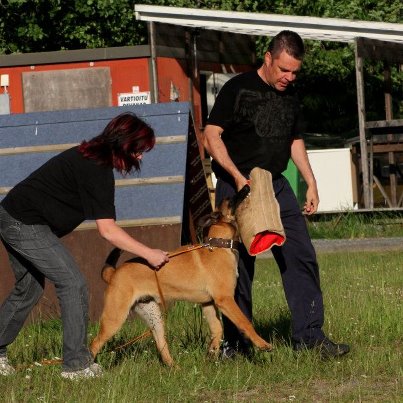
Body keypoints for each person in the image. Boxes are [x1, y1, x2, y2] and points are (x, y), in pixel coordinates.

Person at [203, 30, 350, 359]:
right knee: (238, 267)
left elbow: (295, 140)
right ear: (268, 58)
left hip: (274, 184)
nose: (289, 77)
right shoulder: (237, 88)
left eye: (295, 71)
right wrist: (238, 178)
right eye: (284, 69)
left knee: (301, 254)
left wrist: (311, 182)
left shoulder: (291, 95)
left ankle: (310, 337)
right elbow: (211, 136)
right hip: (236, 184)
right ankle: (237, 344)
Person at [0, 112, 169, 379]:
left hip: (13, 215)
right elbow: (107, 230)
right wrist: (149, 254)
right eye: (139, 150)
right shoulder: (97, 169)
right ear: (125, 143)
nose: (141, 157)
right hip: (22, 221)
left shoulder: (91, 157)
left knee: (29, 289)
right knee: (72, 283)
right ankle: (76, 365)